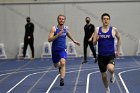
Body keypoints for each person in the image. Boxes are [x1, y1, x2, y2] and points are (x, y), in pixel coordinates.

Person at [48, 14, 80, 86]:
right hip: (55, 50)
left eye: (63, 19)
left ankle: (62, 79)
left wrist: (74, 41)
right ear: (57, 20)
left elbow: (68, 33)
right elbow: (49, 40)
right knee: (56, 65)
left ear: (64, 20)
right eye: (60, 19)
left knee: (63, 62)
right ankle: (59, 67)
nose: (61, 20)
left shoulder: (66, 28)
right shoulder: (54, 28)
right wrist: (57, 35)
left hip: (63, 49)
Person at [93, 13, 121, 93]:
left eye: (107, 19)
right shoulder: (97, 30)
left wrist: (118, 50)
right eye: (104, 19)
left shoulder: (113, 30)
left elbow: (119, 38)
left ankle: (112, 74)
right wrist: (96, 39)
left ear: (109, 20)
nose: (106, 20)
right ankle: (107, 89)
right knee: (104, 76)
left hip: (110, 55)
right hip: (101, 56)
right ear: (102, 20)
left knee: (111, 68)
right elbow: (94, 44)